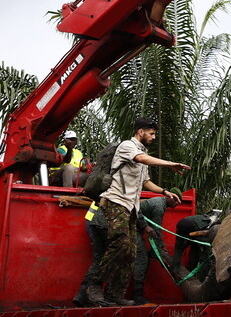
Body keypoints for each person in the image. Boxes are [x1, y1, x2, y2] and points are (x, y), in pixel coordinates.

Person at [86, 117, 190, 306]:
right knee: (121, 243)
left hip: (132, 207)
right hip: (115, 201)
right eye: (151, 133)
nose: (153, 137)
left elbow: (145, 182)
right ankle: (94, 286)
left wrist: (165, 191)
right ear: (140, 132)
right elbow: (140, 159)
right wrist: (170, 164)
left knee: (131, 252)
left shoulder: (143, 153)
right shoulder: (128, 146)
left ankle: (114, 295)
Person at [133, 188, 182, 305]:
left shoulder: (160, 204)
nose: (177, 203)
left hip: (135, 228)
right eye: (175, 200)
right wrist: (160, 250)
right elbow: (156, 230)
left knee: (144, 256)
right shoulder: (159, 206)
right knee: (142, 260)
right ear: (169, 196)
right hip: (130, 228)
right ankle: (137, 296)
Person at [172, 210, 221, 281]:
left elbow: (206, 257)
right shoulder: (183, 228)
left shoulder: (205, 228)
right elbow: (178, 248)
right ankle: (192, 278)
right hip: (194, 231)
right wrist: (175, 268)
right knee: (197, 258)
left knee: (203, 259)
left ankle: (201, 280)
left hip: (200, 233)